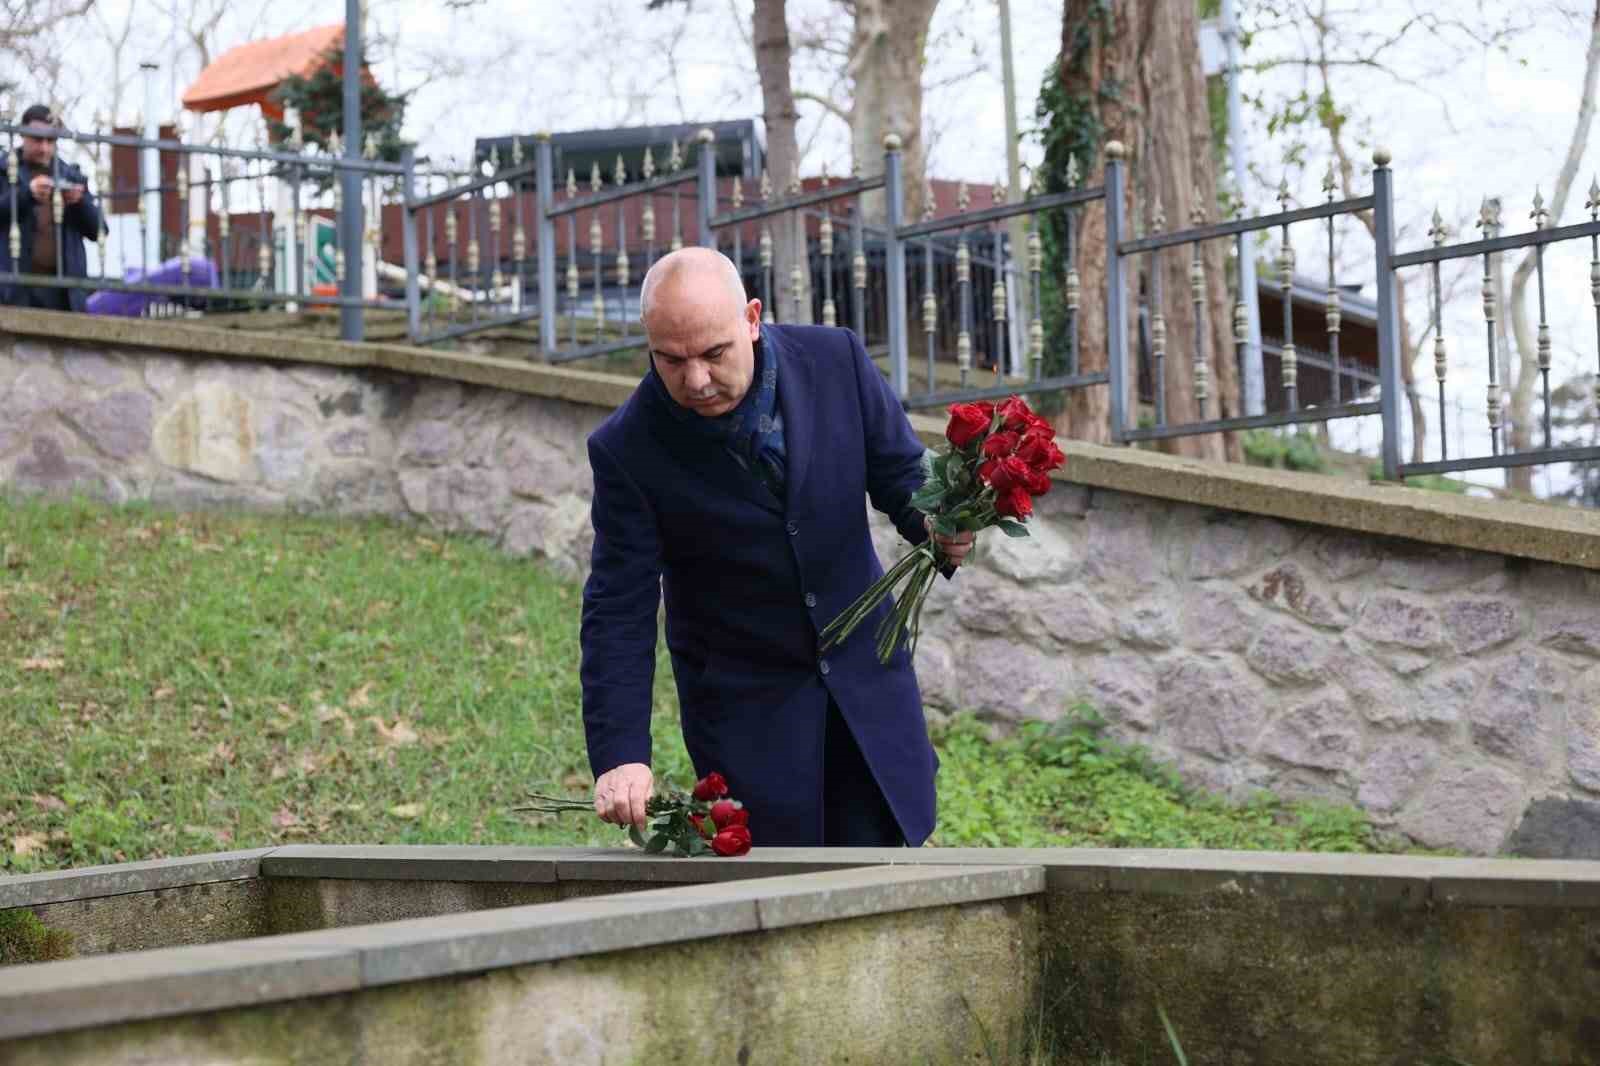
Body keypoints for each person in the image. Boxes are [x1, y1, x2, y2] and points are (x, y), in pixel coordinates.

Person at [579, 246, 974, 847]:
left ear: (753, 319)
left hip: (869, 691)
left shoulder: (835, 360)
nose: (697, 380)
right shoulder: (626, 449)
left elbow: (899, 474)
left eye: (714, 354)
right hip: (747, 718)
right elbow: (618, 606)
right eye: (671, 360)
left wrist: (940, 522)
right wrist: (621, 754)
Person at [0, 104, 103, 311]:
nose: (44, 148)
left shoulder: (70, 174)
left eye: (51, 140)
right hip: (13, 290)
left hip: (62, 294)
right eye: (38, 139)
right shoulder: (4, 170)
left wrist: (79, 202)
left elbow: (99, 230)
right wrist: (27, 195)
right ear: (22, 135)